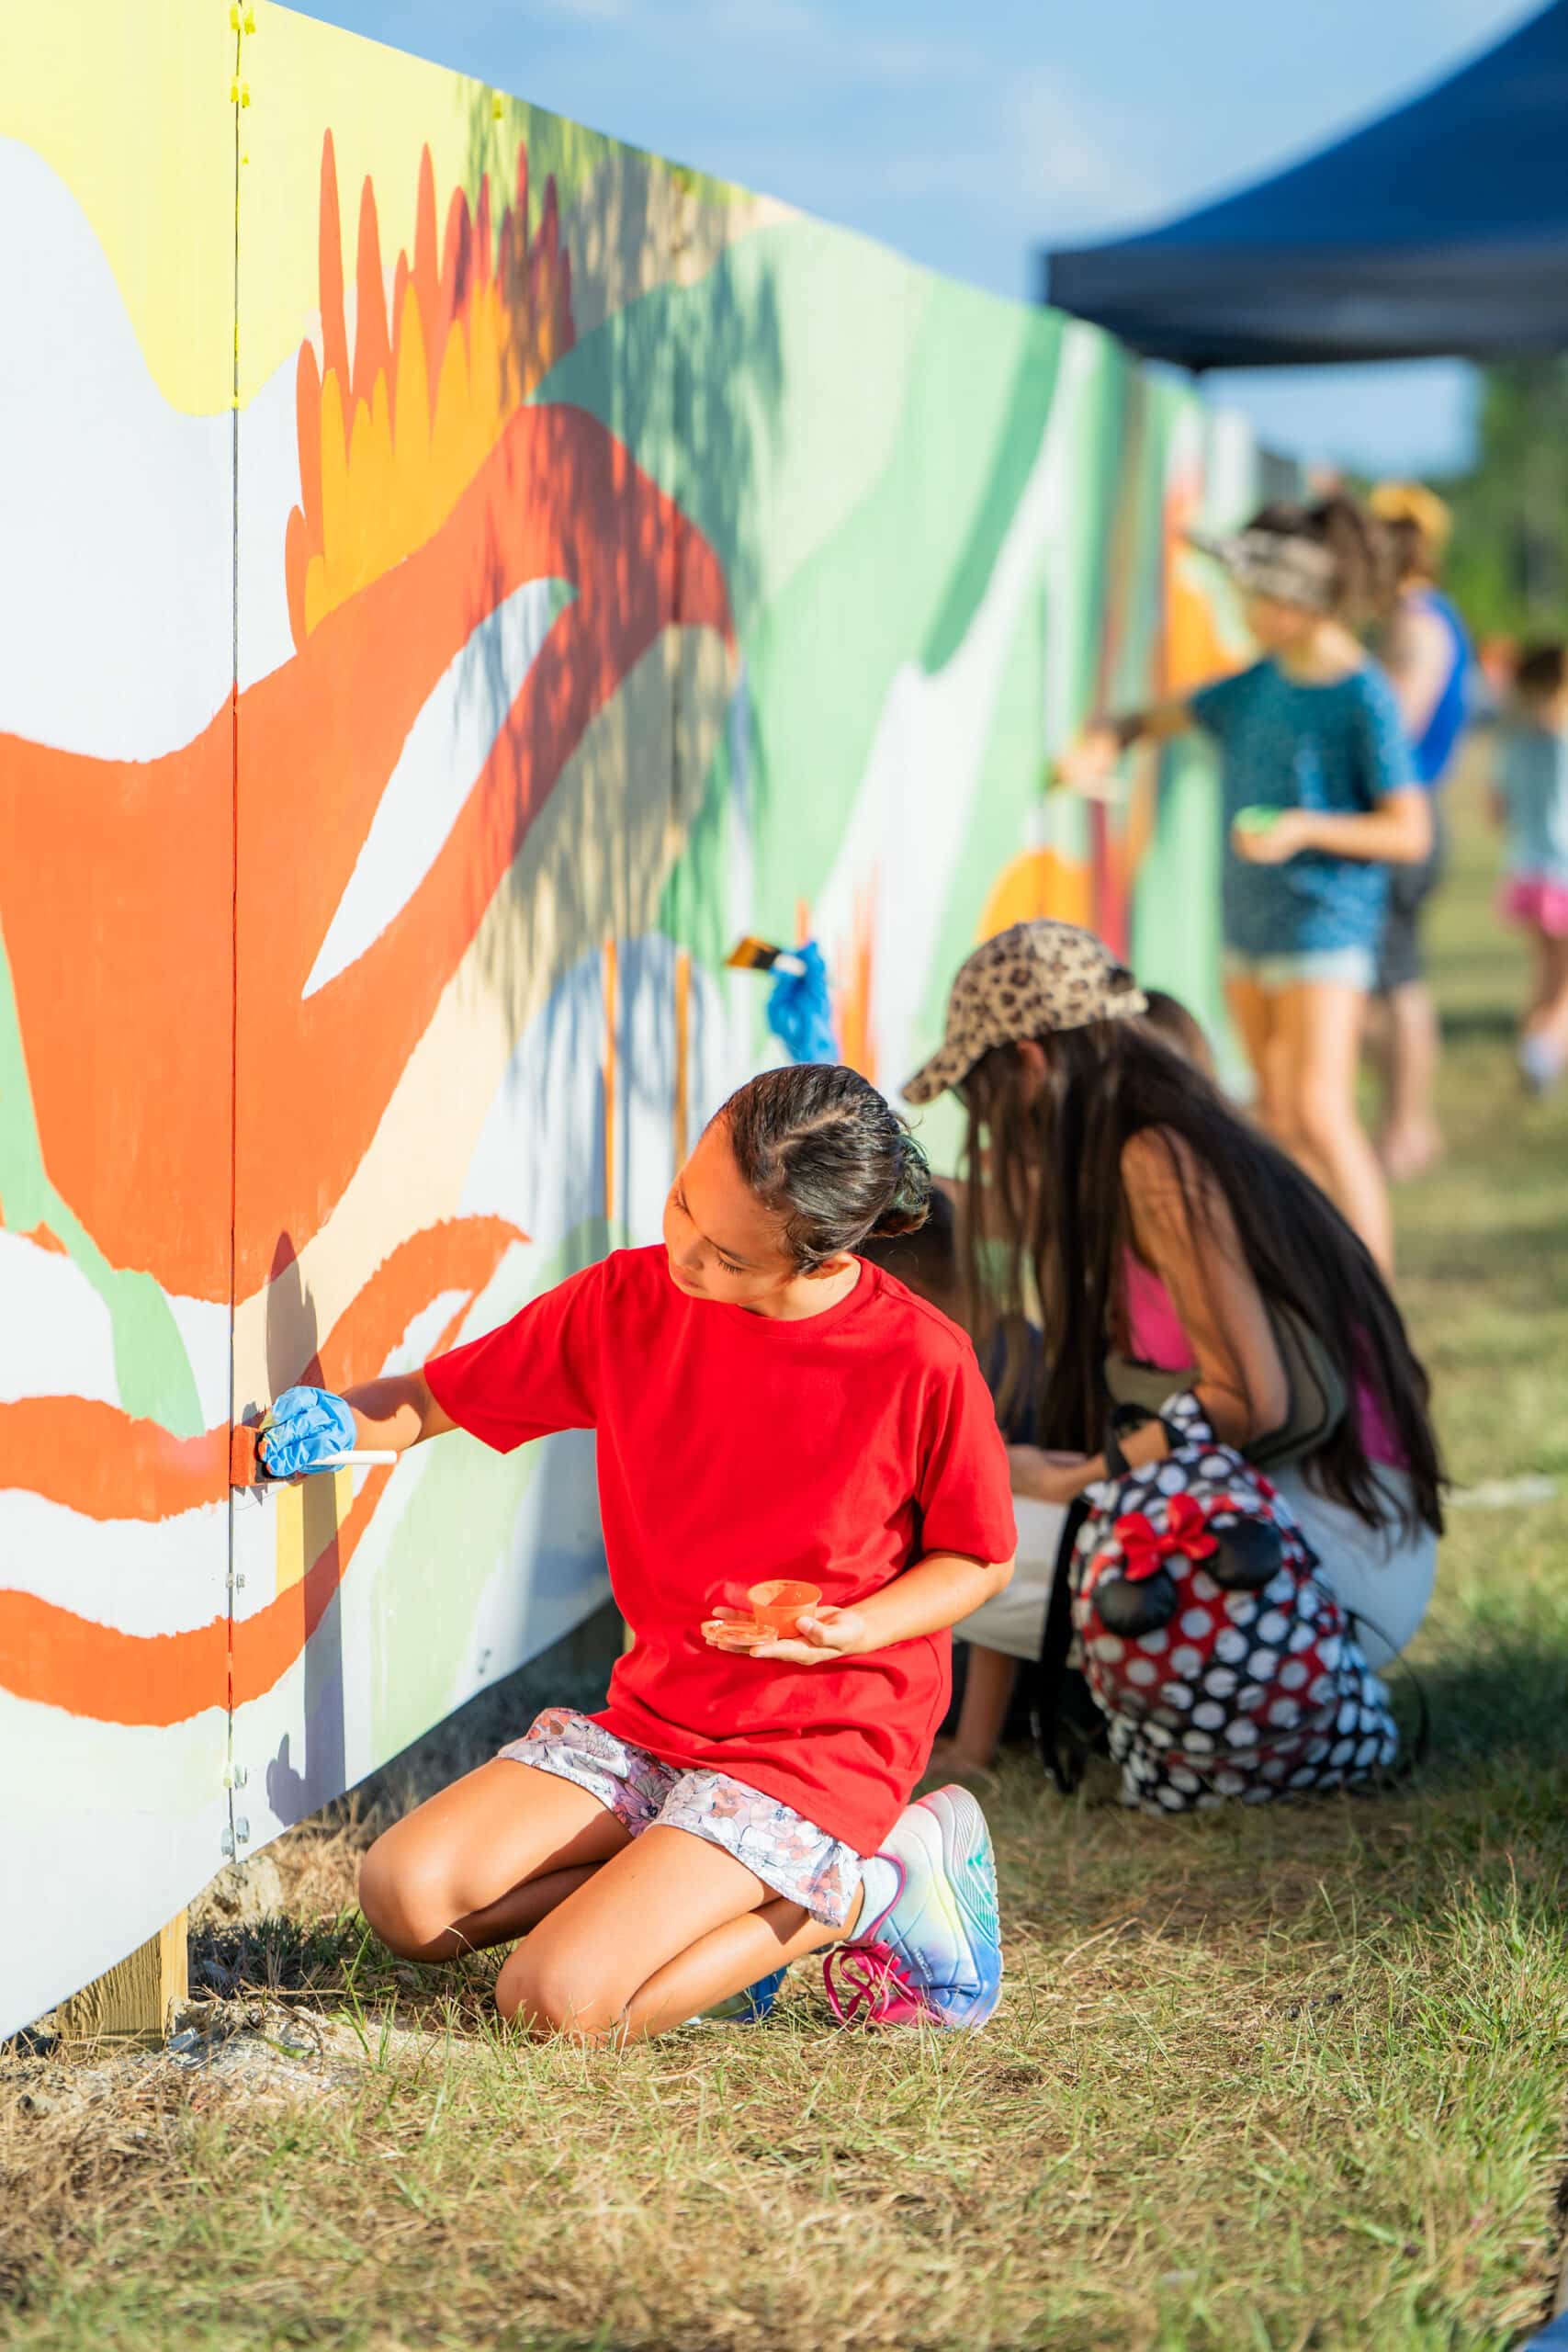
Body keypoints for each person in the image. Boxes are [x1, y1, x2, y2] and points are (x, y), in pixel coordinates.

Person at [256, 1065, 1016, 2041]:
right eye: (682, 1204)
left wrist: (853, 1627)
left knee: (552, 2003)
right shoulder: (630, 1298)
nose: (683, 1254)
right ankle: (690, 1906)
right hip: (658, 1715)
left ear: (821, 1257)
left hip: (819, 1741)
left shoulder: (921, 1360)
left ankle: (870, 1883)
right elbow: (443, 1396)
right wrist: (348, 1422)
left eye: (728, 1256)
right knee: (407, 1895)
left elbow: (980, 1559)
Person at [900, 920, 1443, 1781]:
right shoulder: (1153, 1138)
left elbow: (1250, 1400)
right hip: (1313, 1531)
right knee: (976, 1522)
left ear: (1033, 1062)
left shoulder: (1155, 1159)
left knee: (945, 1546)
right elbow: (992, 1198)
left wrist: (1071, 1481)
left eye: (982, 1093)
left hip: (1335, 1556)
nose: (988, 1125)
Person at [1058, 495, 1431, 1274]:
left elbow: (1408, 830)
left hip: (1323, 930)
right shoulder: (1253, 685)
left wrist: (1302, 828)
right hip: (1247, 928)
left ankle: (1377, 1311)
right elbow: (1145, 720)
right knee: (1279, 1114)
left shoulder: (1361, 695)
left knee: (1321, 1113)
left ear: (1301, 596)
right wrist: (1103, 742)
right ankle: (1320, 1280)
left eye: (1253, 594)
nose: (1242, 608)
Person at [1366, 482, 1472, 1182]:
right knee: (1391, 978)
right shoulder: (1418, 617)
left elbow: (1391, 733)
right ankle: (1407, 1123)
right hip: (1407, 816)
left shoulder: (1416, 624)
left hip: (1402, 820)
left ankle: (1406, 1127)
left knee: (1396, 980)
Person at [1494, 643, 1568, 1092]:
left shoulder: (1514, 742)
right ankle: (1542, 1052)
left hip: (1527, 874)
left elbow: (1495, 807)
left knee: (1544, 972)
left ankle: (1531, 1041)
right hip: (1563, 873)